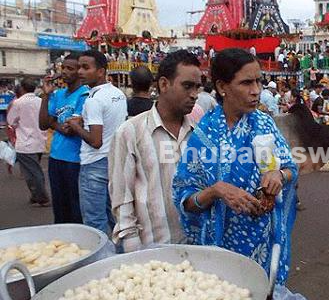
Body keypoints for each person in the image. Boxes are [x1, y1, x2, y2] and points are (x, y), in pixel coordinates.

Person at [172, 48, 299, 285]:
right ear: (222, 87)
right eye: (246, 83)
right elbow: (185, 200)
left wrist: (278, 174)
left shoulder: (264, 123)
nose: (256, 91)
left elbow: (291, 167)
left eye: (259, 82)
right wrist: (216, 190)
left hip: (264, 244)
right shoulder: (204, 136)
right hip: (221, 252)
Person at [110, 51, 202, 252]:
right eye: (187, 86)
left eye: (197, 87)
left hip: (196, 248)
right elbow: (122, 195)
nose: (194, 95)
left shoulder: (200, 134)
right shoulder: (130, 131)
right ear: (163, 84)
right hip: (150, 249)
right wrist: (132, 246)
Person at [67, 50, 127, 235]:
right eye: (79, 67)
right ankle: (118, 256)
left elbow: (95, 141)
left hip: (93, 164)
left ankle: (102, 260)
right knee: (113, 217)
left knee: (94, 222)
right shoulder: (118, 94)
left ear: (100, 71)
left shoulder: (93, 100)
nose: (80, 72)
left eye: (86, 67)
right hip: (113, 161)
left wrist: (74, 125)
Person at [39, 54, 89, 222]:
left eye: (70, 69)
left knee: (75, 208)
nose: (65, 72)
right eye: (64, 68)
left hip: (75, 160)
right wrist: (46, 95)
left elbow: (71, 130)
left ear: (79, 72)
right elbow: (43, 123)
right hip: (55, 158)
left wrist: (55, 123)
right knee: (59, 207)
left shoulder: (85, 95)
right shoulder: (58, 94)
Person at [7, 78, 49, 207]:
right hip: (40, 140)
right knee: (34, 169)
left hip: (25, 142)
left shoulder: (18, 103)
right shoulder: (41, 101)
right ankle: (36, 195)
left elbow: (11, 121)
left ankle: (41, 196)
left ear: (22, 88)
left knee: (31, 172)